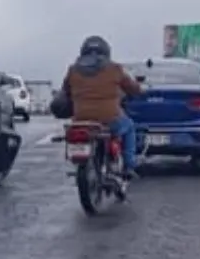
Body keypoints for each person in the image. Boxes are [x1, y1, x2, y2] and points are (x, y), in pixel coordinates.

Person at [61, 35, 144, 178]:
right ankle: (129, 166)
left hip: (81, 120)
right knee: (129, 126)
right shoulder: (114, 69)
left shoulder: (73, 70)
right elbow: (132, 88)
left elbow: (65, 91)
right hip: (109, 118)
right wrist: (141, 90)